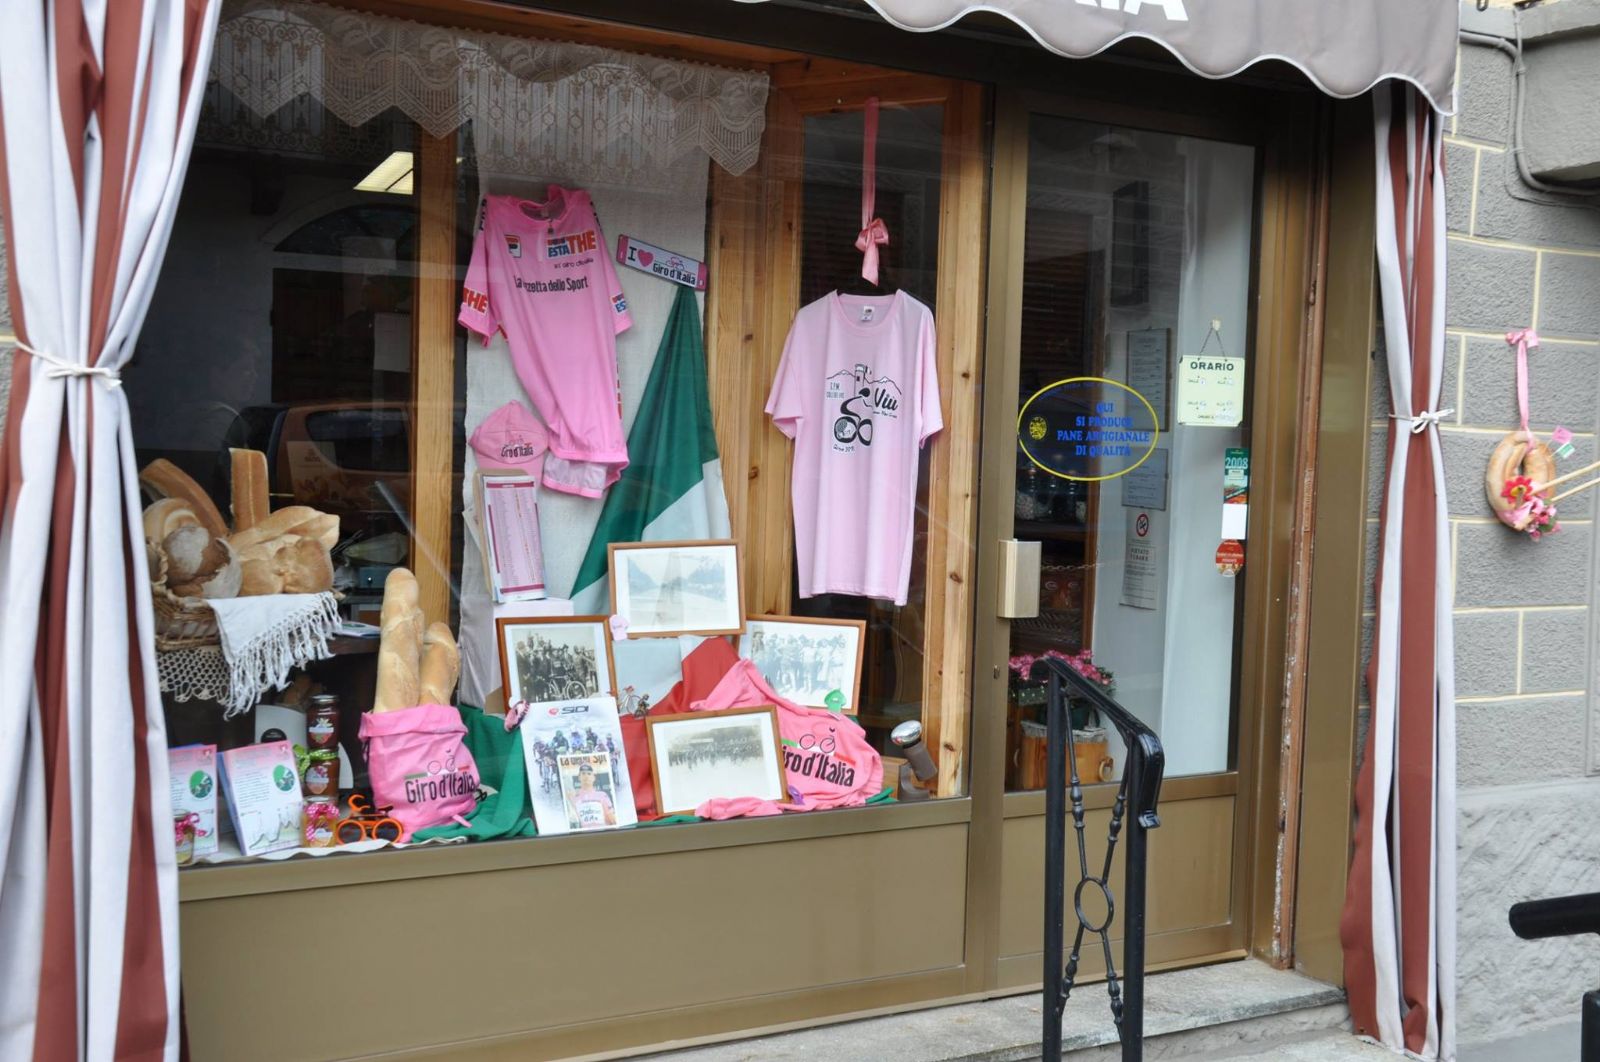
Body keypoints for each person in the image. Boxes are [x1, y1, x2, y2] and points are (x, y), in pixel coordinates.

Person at [566, 762, 615, 829]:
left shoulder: (602, 795)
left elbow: (612, 819)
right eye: (583, 773)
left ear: (593, 777)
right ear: (579, 777)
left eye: (589, 774)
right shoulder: (573, 797)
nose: (586, 776)